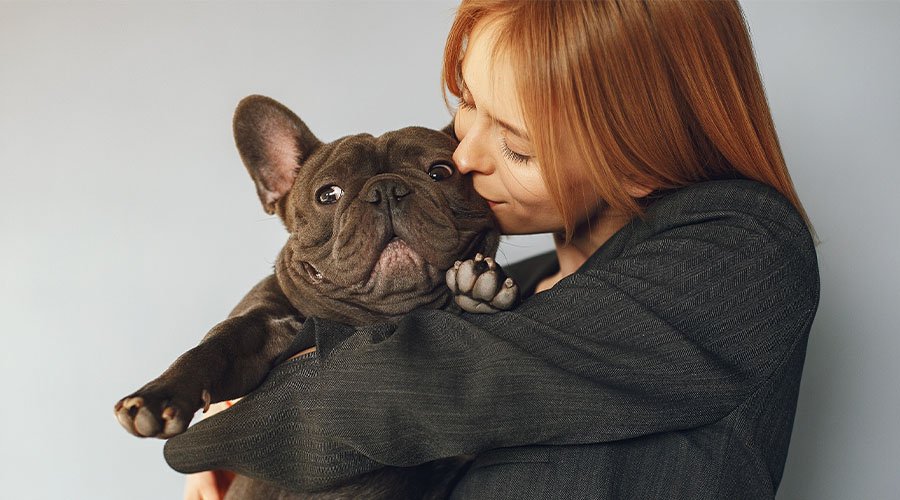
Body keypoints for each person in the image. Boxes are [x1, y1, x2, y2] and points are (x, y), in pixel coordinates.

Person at [169, 1, 820, 498]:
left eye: (517, 145)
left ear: (635, 162)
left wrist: (238, 417)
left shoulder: (743, 248)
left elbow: (413, 386)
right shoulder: (503, 288)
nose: (467, 154)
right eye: (467, 105)